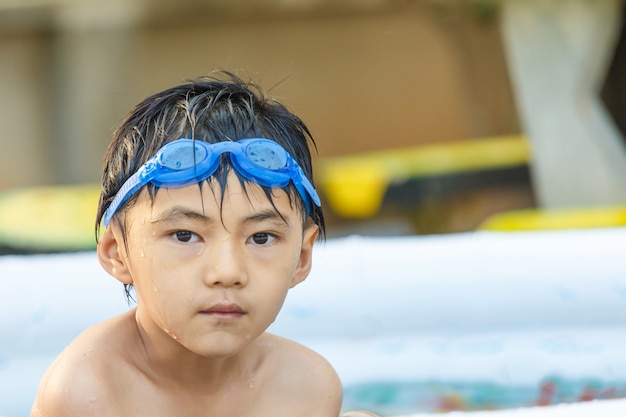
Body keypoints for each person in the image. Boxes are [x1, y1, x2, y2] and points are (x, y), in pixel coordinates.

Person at [31, 72, 378, 417]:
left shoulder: (307, 389)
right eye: (184, 235)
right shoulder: (88, 393)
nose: (227, 272)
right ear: (116, 253)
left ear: (302, 257)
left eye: (261, 237)